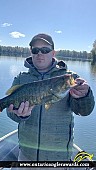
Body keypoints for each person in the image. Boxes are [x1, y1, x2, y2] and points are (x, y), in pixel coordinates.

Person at [6, 33, 95, 169]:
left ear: (53, 53)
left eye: (45, 50)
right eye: (35, 50)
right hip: (26, 155)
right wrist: (20, 114)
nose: (40, 54)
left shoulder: (68, 78)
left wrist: (84, 96)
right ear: (31, 53)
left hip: (57, 158)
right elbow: (11, 112)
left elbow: (84, 111)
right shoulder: (21, 79)